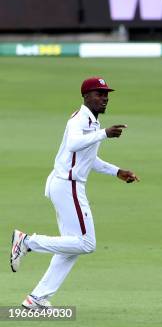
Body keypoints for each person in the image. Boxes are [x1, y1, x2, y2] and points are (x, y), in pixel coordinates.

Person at [10, 77, 139, 309]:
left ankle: (36, 298)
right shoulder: (80, 120)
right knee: (86, 243)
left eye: (106, 94)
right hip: (67, 185)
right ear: (86, 96)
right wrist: (104, 135)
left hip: (64, 184)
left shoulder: (92, 123)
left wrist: (116, 171)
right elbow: (73, 144)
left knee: (71, 246)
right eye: (99, 93)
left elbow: (89, 159)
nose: (105, 98)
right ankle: (27, 242)